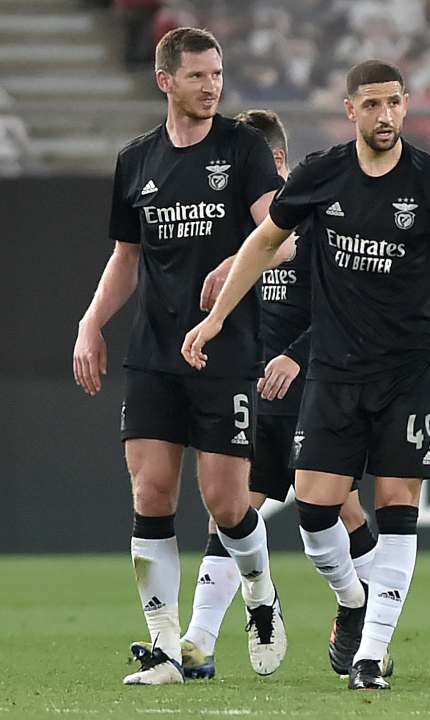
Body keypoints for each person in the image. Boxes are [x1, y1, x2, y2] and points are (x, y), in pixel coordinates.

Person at [181, 60, 430, 690]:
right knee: (315, 511)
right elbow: (262, 243)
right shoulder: (321, 175)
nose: (385, 115)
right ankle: (351, 600)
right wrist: (214, 320)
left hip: (407, 372)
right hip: (334, 375)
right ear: (350, 111)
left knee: (397, 506)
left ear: (406, 105)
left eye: (394, 103)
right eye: (372, 105)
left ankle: (371, 654)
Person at [130, 109, 378, 680]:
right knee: (234, 510)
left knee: (337, 507)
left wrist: (299, 354)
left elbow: (352, 307)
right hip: (251, 387)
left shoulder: (316, 220)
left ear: (279, 165)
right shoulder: (226, 232)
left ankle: (364, 614)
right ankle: (198, 643)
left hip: (314, 385)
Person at [72, 27, 287, 686]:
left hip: (226, 353)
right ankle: (166, 647)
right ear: (165, 80)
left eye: (217, 75)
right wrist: (90, 323)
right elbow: (125, 259)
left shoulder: (242, 149)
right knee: (151, 491)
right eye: (197, 76)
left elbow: (284, 236)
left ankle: (260, 594)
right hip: (154, 353)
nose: (211, 87)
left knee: (225, 504)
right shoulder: (136, 160)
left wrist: (237, 258)